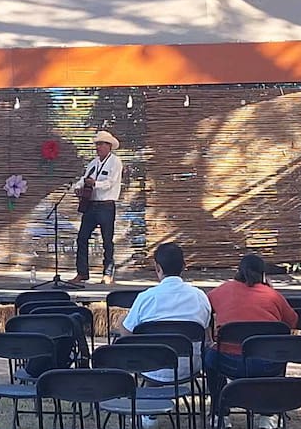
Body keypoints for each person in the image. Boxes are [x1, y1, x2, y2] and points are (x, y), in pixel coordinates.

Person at [204, 254, 299, 429]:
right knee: (279, 352)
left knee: (209, 357)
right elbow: (292, 321)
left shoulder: (222, 291)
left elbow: (205, 307)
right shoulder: (273, 296)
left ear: (238, 272)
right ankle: (268, 414)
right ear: (263, 275)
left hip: (228, 363)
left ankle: (220, 413)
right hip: (267, 365)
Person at [118, 242, 211, 383]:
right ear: (184, 266)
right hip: (190, 367)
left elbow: (127, 334)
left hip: (151, 368)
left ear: (158, 267)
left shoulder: (146, 298)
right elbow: (206, 335)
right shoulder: (199, 296)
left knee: (123, 321)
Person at [71, 129, 123, 284]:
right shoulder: (93, 163)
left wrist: (95, 184)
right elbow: (84, 178)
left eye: (100, 144)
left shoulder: (115, 162)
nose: (98, 147)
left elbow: (110, 183)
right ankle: (82, 273)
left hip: (106, 205)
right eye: (97, 144)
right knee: (82, 238)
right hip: (91, 205)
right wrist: (78, 187)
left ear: (109, 146)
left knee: (107, 240)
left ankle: (108, 273)